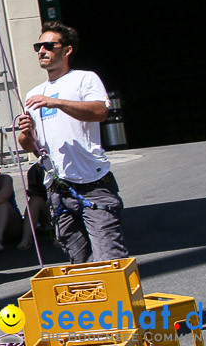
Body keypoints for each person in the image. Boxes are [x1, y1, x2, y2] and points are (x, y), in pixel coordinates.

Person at [17, 21, 128, 264]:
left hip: (93, 182)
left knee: (109, 258)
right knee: (78, 261)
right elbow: (30, 147)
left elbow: (99, 111)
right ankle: (94, 302)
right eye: (38, 46)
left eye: (48, 45)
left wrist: (56, 103)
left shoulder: (84, 79)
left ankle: (119, 303)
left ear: (66, 50)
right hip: (58, 189)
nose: (41, 51)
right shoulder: (33, 94)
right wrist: (26, 132)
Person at [17, 161, 53, 250]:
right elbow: (35, 194)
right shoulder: (34, 170)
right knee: (34, 200)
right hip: (46, 208)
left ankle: (59, 235)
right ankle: (26, 239)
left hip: (61, 204)